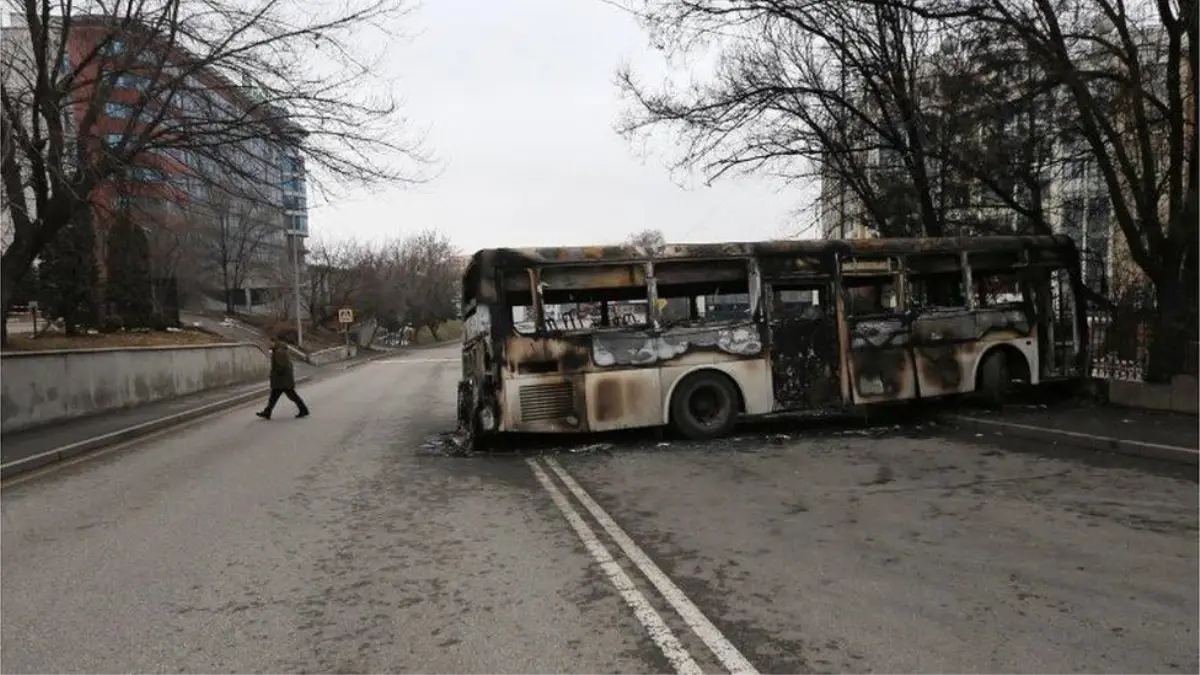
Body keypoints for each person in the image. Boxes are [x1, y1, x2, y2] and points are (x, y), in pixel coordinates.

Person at [257, 337, 310, 420]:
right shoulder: (279, 350)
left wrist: (274, 374)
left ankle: (304, 410)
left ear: (273, 342)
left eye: (269, 342)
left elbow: (281, 366)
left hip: (282, 380)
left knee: (292, 396)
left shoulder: (279, 352)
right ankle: (267, 412)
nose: (268, 344)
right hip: (282, 380)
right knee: (274, 397)